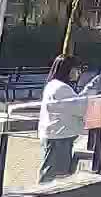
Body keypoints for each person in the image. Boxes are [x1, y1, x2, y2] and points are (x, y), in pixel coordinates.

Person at [37, 55, 93, 184]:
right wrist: (90, 92)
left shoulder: (54, 85)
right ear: (68, 69)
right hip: (58, 137)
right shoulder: (61, 88)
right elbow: (79, 108)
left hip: (57, 135)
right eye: (76, 69)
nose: (79, 73)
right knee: (54, 174)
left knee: (53, 170)